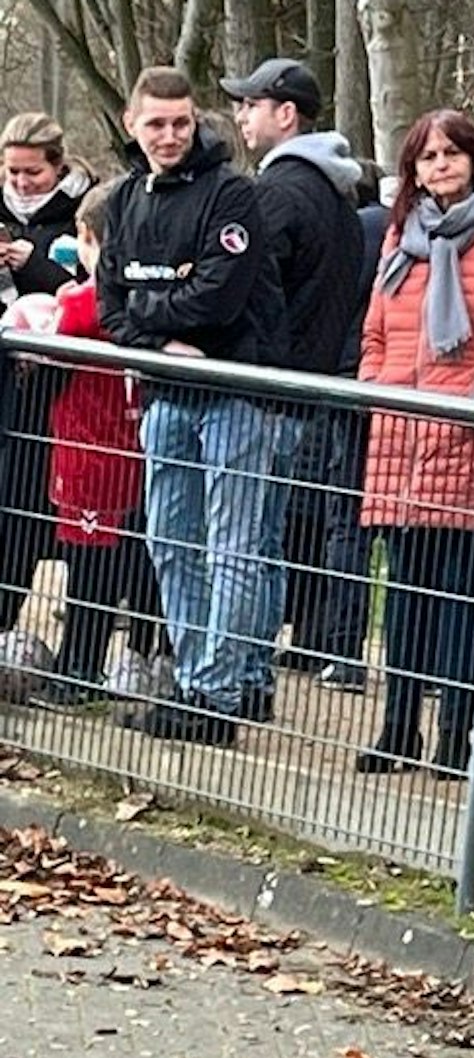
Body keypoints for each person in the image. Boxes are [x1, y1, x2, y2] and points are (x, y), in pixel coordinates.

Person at [98, 66, 285, 747]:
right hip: (164, 393)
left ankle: (217, 688)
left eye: (181, 122)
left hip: (234, 392)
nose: (171, 135)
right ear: (133, 124)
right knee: (171, 542)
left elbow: (219, 297)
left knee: (232, 545)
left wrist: (152, 308)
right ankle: (192, 673)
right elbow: (110, 307)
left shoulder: (232, 194)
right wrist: (161, 331)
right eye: (157, 124)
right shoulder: (122, 202)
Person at [357, 109, 474, 776]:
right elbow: (376, 333)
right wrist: (378, 387)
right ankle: (397, 724)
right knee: (407, 595)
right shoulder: (398, 241)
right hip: (401, 443)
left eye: (451, 153)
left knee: (467, 599)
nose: (440, 165)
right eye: (426, 156)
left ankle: (457, 734)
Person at [224, 57, 366, 723]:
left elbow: (247, 287)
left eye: (250, 104)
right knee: (265, 538)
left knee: (244, 542)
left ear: (286, 113)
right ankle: (250, 674)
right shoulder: (334, 191)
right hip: (300, 386)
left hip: (264, 390)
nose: (240, 116)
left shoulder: (280, 192)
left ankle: (232, 680)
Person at [25, 180, 169, 707]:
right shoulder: (149, 298)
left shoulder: (88, 302)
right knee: (133, 559)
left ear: (90, 240)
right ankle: (141, 655)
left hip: (89, 451)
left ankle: (79, 669)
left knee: (88, 569)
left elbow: (51, 347)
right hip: (130, 448)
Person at [291, 157, 389, 695]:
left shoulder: (354, 232)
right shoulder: (395, 232)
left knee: (344, 515)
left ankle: (339, 646)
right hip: (387, 382)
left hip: (348, 378)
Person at [1, 112, 95, 642]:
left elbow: (85, 291)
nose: (20, 184)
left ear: (57, 167)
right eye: (11, 173)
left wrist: (32, 263)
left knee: (28, 510)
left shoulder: (82, 213)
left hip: (58, 392)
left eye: (31, 173)